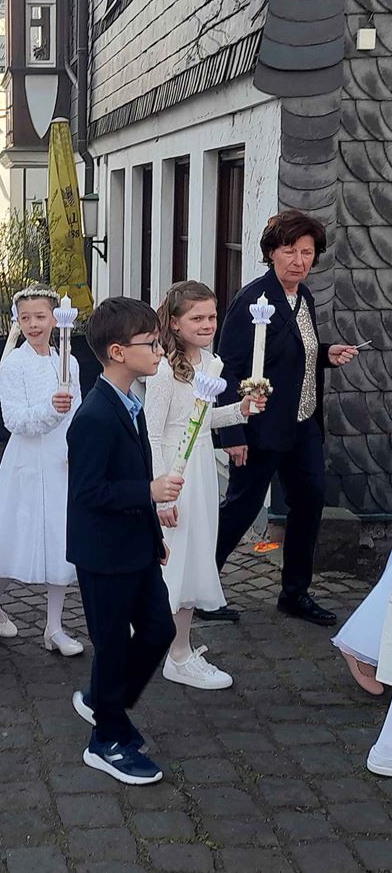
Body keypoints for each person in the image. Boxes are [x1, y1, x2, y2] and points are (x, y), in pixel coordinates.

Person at [214, 210, 359, 625]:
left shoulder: (304, 297)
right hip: (261, 426)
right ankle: (200, 586)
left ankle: (295, 593)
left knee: (310, 500)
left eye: (307, 253)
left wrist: (326, 354)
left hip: (303, 423)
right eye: (290, 251)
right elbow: (229, 368)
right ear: (272, 253)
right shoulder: (253, 301)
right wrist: (233, 433)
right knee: (241, 508)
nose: (299, 261)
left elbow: (296, 351)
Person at [67, 297, 181, 786]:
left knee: (158, 630)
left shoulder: (131, 404)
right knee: (112, 646)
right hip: (104, 553)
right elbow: (88, 492)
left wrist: (154, 532)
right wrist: (149, 493)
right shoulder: (94, 416)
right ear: (117, 351)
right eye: (151, 343)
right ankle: (106, 739)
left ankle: (103, 701)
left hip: (137, 545)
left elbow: (135, 471)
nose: (159, 351)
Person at [145, 281, 266, 690]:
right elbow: (154, 431)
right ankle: (167, 649)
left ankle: (178, 649)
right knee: (173, 561)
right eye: (197, 318)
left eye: (212, 316)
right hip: (173, 471)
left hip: (199, 469)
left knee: (195, 557)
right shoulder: (163, 370)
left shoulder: (210, 363)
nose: (207, 324)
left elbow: (203, 421)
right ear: (174, 323)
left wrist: (240, 409)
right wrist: (162, 491)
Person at [0, 285, 84, 657]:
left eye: (40, 316)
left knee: (60, 537)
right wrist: (52, 411)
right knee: (17, 535)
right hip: (26, 460)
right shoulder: (14, 365)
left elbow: (78, 411)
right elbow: (14, 420)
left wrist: (79, 444)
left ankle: (54, 626)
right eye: (26, 318)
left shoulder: (69, 361)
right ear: (17, 322)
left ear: (55, 319)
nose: (34, 324)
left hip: (62, 458)